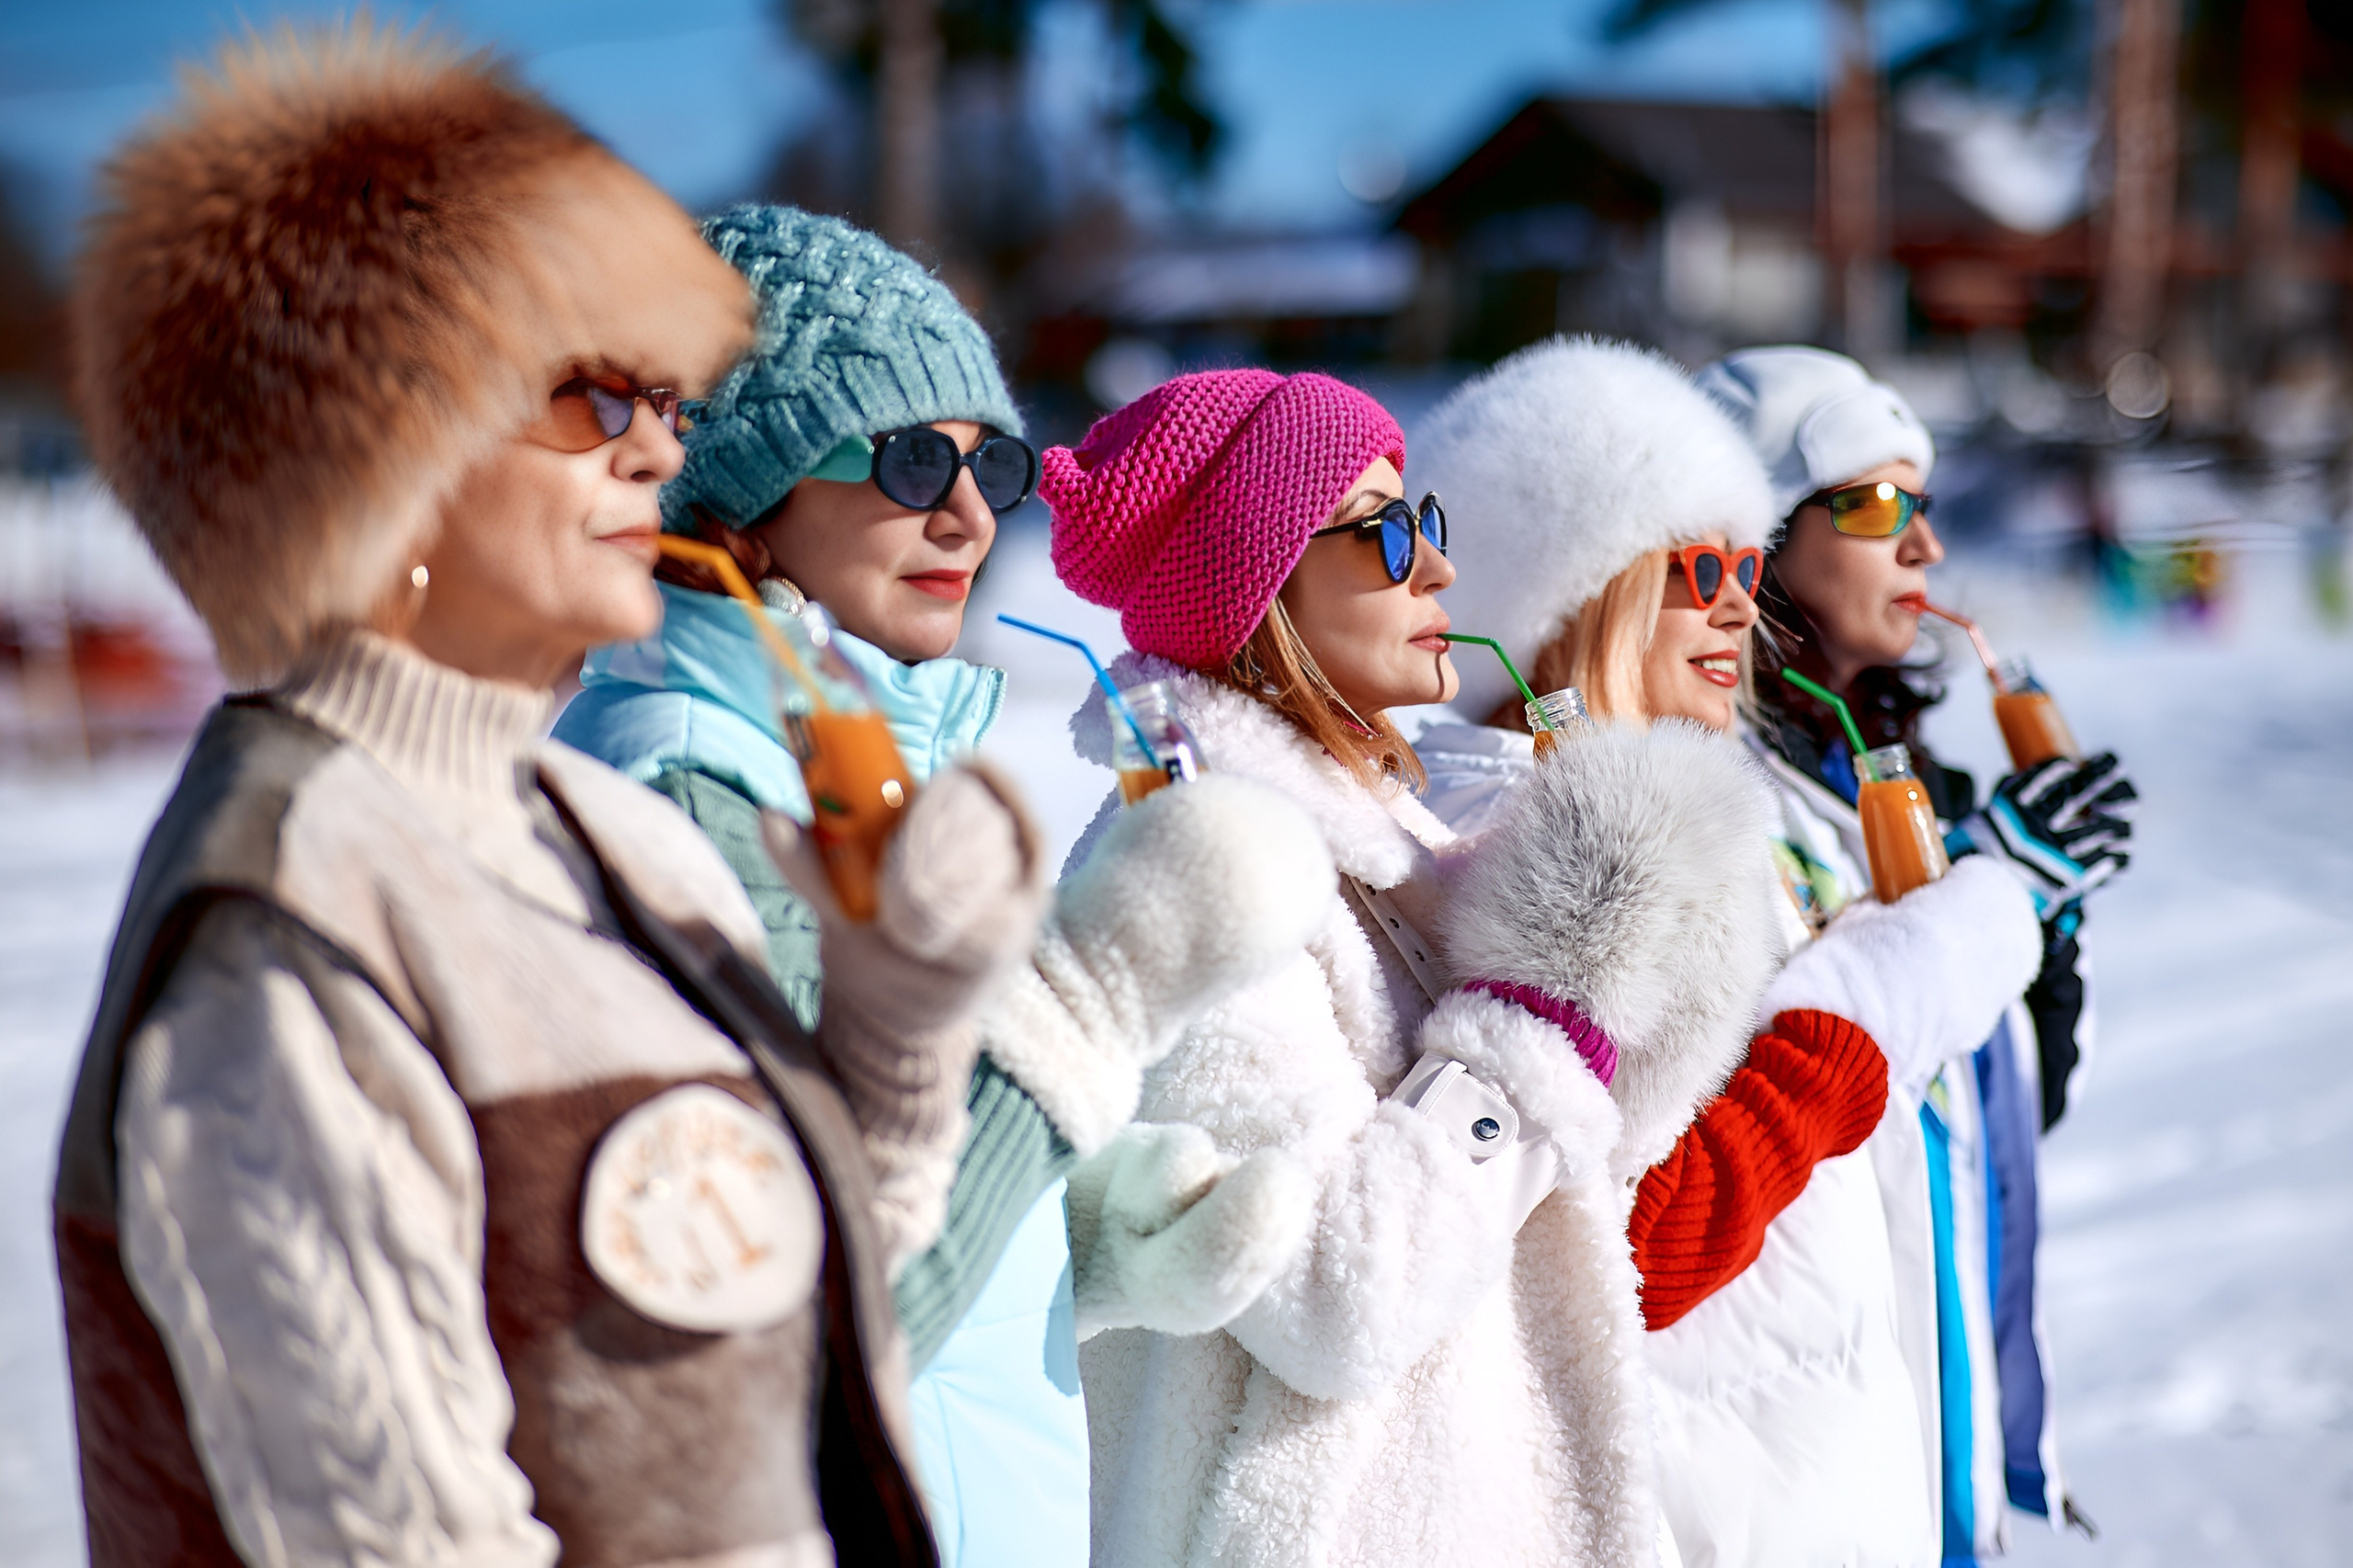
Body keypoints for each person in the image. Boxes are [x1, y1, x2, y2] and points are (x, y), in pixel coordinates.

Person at [52, 27, 1039, 1567]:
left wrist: (901, 1029)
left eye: (662, 394)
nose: (662, 446)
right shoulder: (288, 918)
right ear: (375, 452)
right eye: (591, 396)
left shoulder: (595, 834)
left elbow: (811, 1313)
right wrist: (1084, 1013)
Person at [552, 203, 1331, 1567]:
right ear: (740, 485)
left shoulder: (846, 765)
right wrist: (1075, 1032)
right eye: (914, 459)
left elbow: (890, 1195)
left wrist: (1076, 1240)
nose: (971, 514)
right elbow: (789, 1322)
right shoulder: (690, 792)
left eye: (993, 461)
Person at [1042, 368, 1789, 1567]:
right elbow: (1340, 1292)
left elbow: (1593, 1170)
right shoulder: (1203, 863)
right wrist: (1538, 994)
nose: (1437, 567)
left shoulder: (1383, 856)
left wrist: (1634, 899)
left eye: (1425, 521)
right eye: (1386, 532)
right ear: (1262, 572)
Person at [1415, 335, 2045, 1568]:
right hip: (1711, 1505)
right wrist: (1863, 1008)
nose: (1739, 604)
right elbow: (1631, 1249)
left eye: (1746, 563)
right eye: (1700, 564)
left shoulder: (1646, 806)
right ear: (1571, 589)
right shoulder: (1558, 837)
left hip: (1799, 1466)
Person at [1696, 347, 2132, 1558]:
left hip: (1933, 1392)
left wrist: (2042, 938)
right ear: (1762, 531)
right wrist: (1985, 900)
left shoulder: (1913, 778)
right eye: (1881, 507)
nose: (1926, 549)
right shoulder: (1707, 786)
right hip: (1793, 1434)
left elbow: (1986, 1123)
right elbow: (1785, 1114)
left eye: (1925, 509)